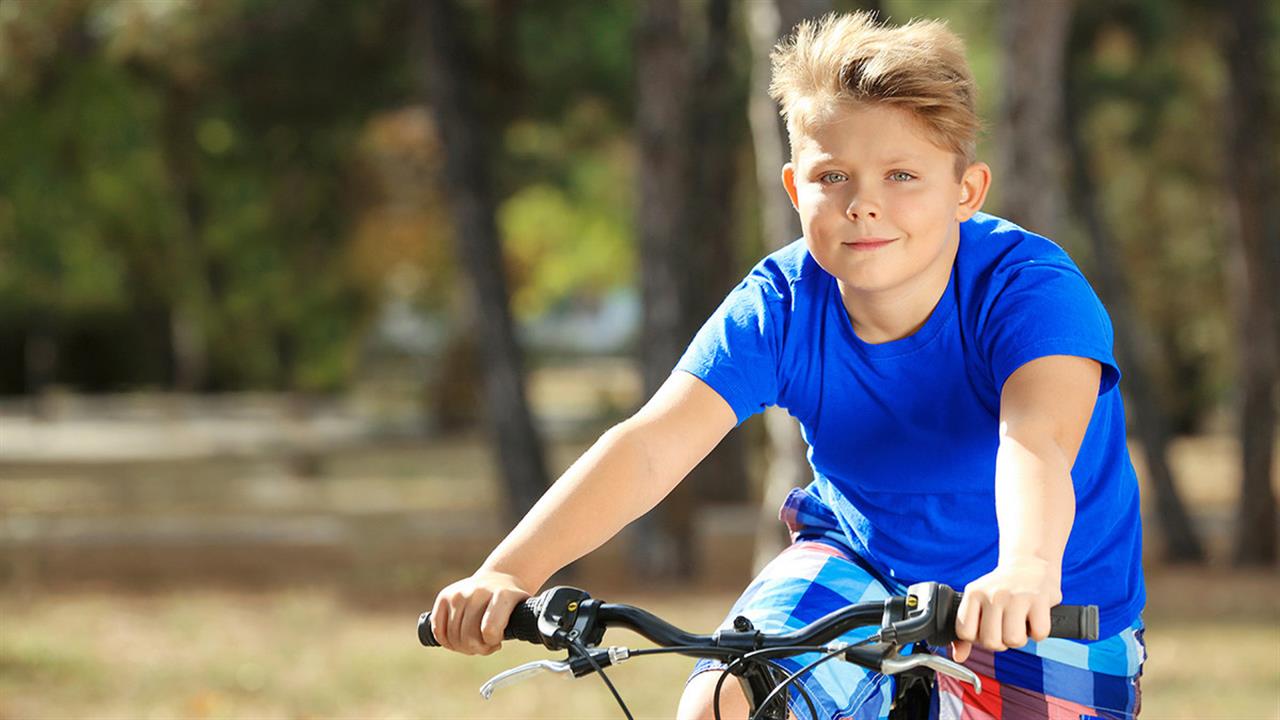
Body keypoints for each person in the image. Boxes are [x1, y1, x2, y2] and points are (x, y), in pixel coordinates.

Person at [430, 11, 1145, 720]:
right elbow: (650, 447)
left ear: (966, 191)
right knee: (728, 696)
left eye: (902, 174)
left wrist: (1025, 567)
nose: (865, 204)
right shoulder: (780, 305)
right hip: (862, 570)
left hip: (1049, 600)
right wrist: (508, 571)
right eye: (833, 176)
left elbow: (1037, 439)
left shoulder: (1030, 290)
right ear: (796, 189)